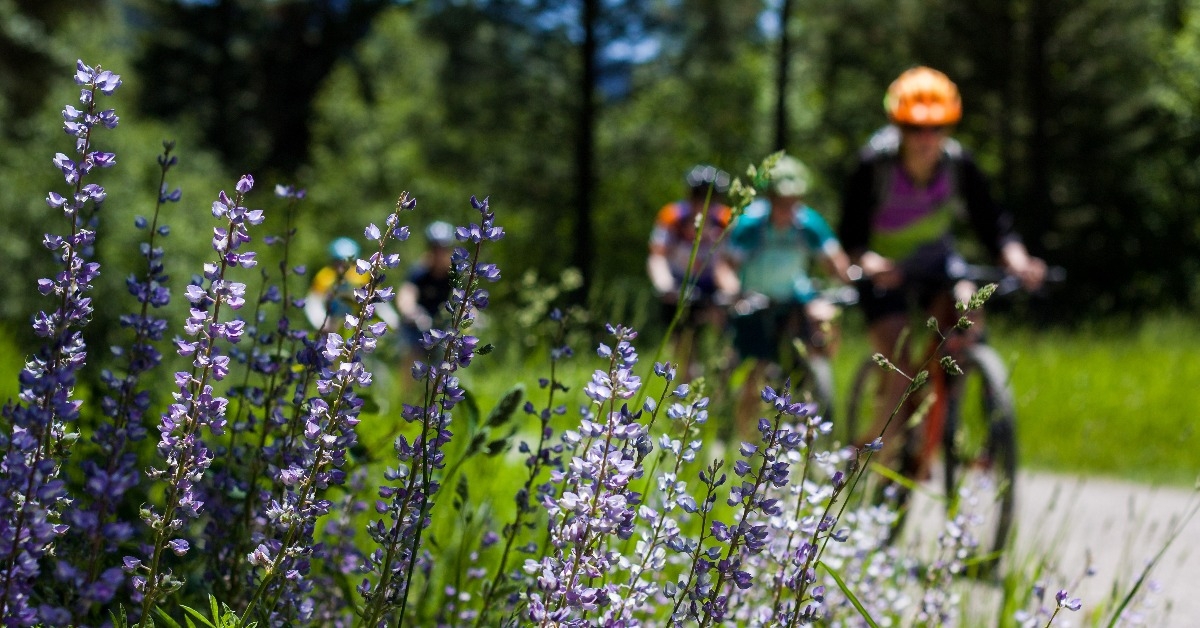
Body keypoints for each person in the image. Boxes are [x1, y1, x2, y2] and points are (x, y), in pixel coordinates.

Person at [837, 66, 1046, 462]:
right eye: (915, 128)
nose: (927, 138)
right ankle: (876, 456)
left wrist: (1019, 261)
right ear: (898, 125)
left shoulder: (958, 163)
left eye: (938, 127)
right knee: (898, 367)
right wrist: (870, 261)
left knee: (970, 310)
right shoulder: (873, 165)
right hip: (884, 276)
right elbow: (849, 237)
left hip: (938, 267)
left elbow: (993, 223)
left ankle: (957, 421)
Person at [722, 154, 852, 435]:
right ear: (769, 198)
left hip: (796, 295)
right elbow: (725, 266)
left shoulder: (808, 222)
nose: (789, 207)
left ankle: (817, 375)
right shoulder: (750, 223)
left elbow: (835, 262)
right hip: (754, 299)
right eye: (782, 200)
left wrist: (853, 281)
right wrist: (733, 292)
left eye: (794, 199)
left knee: (826, 315)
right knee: (753, 372)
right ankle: (746, 440)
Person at [647, 164, 739, 372]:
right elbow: (657, 256)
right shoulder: (672, 216)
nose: (704, 202)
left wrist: (733, 290)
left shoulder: (727, 219)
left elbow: (728, 263)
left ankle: (724, 377)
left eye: (712, 196)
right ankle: (685, 386)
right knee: (683, 352)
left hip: (713, 284)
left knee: (729, 333)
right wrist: (665, 285)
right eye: (698, 195)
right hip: (679, 285)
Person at [305, 236, 399, 334]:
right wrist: (320, 322)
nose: (341, 267)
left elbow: (378, 302)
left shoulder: (361, 276)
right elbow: (313, 303)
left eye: (347, 262)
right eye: (338, 262)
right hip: (331, 324)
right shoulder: (325, 276)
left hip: (358, 324)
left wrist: (392, 320)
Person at [397, 221, 455, 361]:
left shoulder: (455, 274)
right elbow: (406, 294)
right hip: (419, 322)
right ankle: (408, 382)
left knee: (451, 353)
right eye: (435, 248)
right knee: (411, 351)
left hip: (444, 323)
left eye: (443, 248)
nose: (439, 253)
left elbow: (464, 298)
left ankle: (447, 381)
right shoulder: (419, 270)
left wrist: (472, 316)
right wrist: (412, 311)